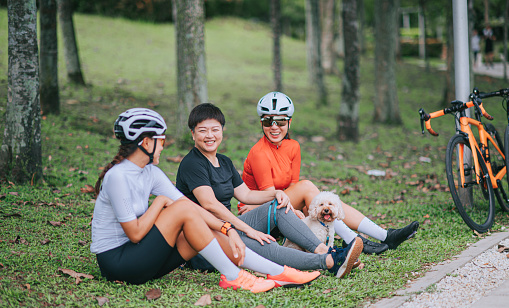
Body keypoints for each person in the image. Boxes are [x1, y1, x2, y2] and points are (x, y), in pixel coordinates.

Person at [90, 108, 321, 293]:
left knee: (193, 218)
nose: (164, 145)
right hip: (120, 265)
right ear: (146, 142)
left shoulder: (150, 172)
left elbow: (191, 209)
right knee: (182, 210)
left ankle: (276, 272)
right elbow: (136, 234)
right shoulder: (118, 177)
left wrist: (227, 229)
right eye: (161, 140)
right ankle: (234, 276)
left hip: (144, 260)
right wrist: (160, 202)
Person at [176, 103, 364, 278]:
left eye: (215, 130)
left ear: (222, 132)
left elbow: (246, 194)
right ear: (193, 134)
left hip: (226, 229)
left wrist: (275, 194)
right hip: (204, 241)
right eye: (203, 131)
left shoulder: (224, 161)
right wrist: (249, 230)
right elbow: (211, 204)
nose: (210, 135)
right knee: (264, 243)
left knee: (278, 206)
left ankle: (323, 250)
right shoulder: (192, 164)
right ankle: (330, 262)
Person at [239, 92, 419, 255]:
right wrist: (295, 210)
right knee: (309, 188)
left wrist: (297, 209)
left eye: (280, 121)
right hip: (262, 217)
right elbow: (271, 198)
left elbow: (292, 188)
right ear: (261, 123)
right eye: (268, 121)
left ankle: (385, 235)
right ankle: (355, 240)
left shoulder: (293, 147)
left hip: (286, 208)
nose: (274, 127)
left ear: (289, 122)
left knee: (319, 198)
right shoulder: (259, 153)